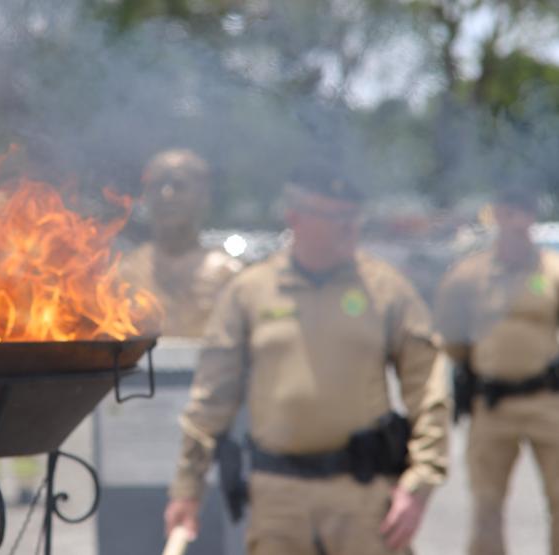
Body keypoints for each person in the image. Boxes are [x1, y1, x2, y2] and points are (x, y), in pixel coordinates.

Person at [163, 170, 450, 554]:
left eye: (354, 218)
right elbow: (212, 397)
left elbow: (429, 386)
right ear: (295, 217)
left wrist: (420, 484)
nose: (349, 229)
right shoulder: (250, 292)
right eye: (335, 218)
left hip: (363, 498)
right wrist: (187, 486)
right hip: (277, 501)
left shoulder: (386, 290)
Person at [435, 186, 559, 555]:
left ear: (531, 218)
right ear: (497, 216)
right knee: (486, 508)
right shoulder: (468, 276)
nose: (516, 222)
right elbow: (451, 337)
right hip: (491, 404)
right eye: (508, 212)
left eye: (523, 213)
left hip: (547, 402)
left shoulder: (552, 270)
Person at [120, 149, 242, 338]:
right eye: (156, 186)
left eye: (179, 185)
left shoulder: (230, 275)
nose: (166, 194)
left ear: (204, 196)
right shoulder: (123, 273)